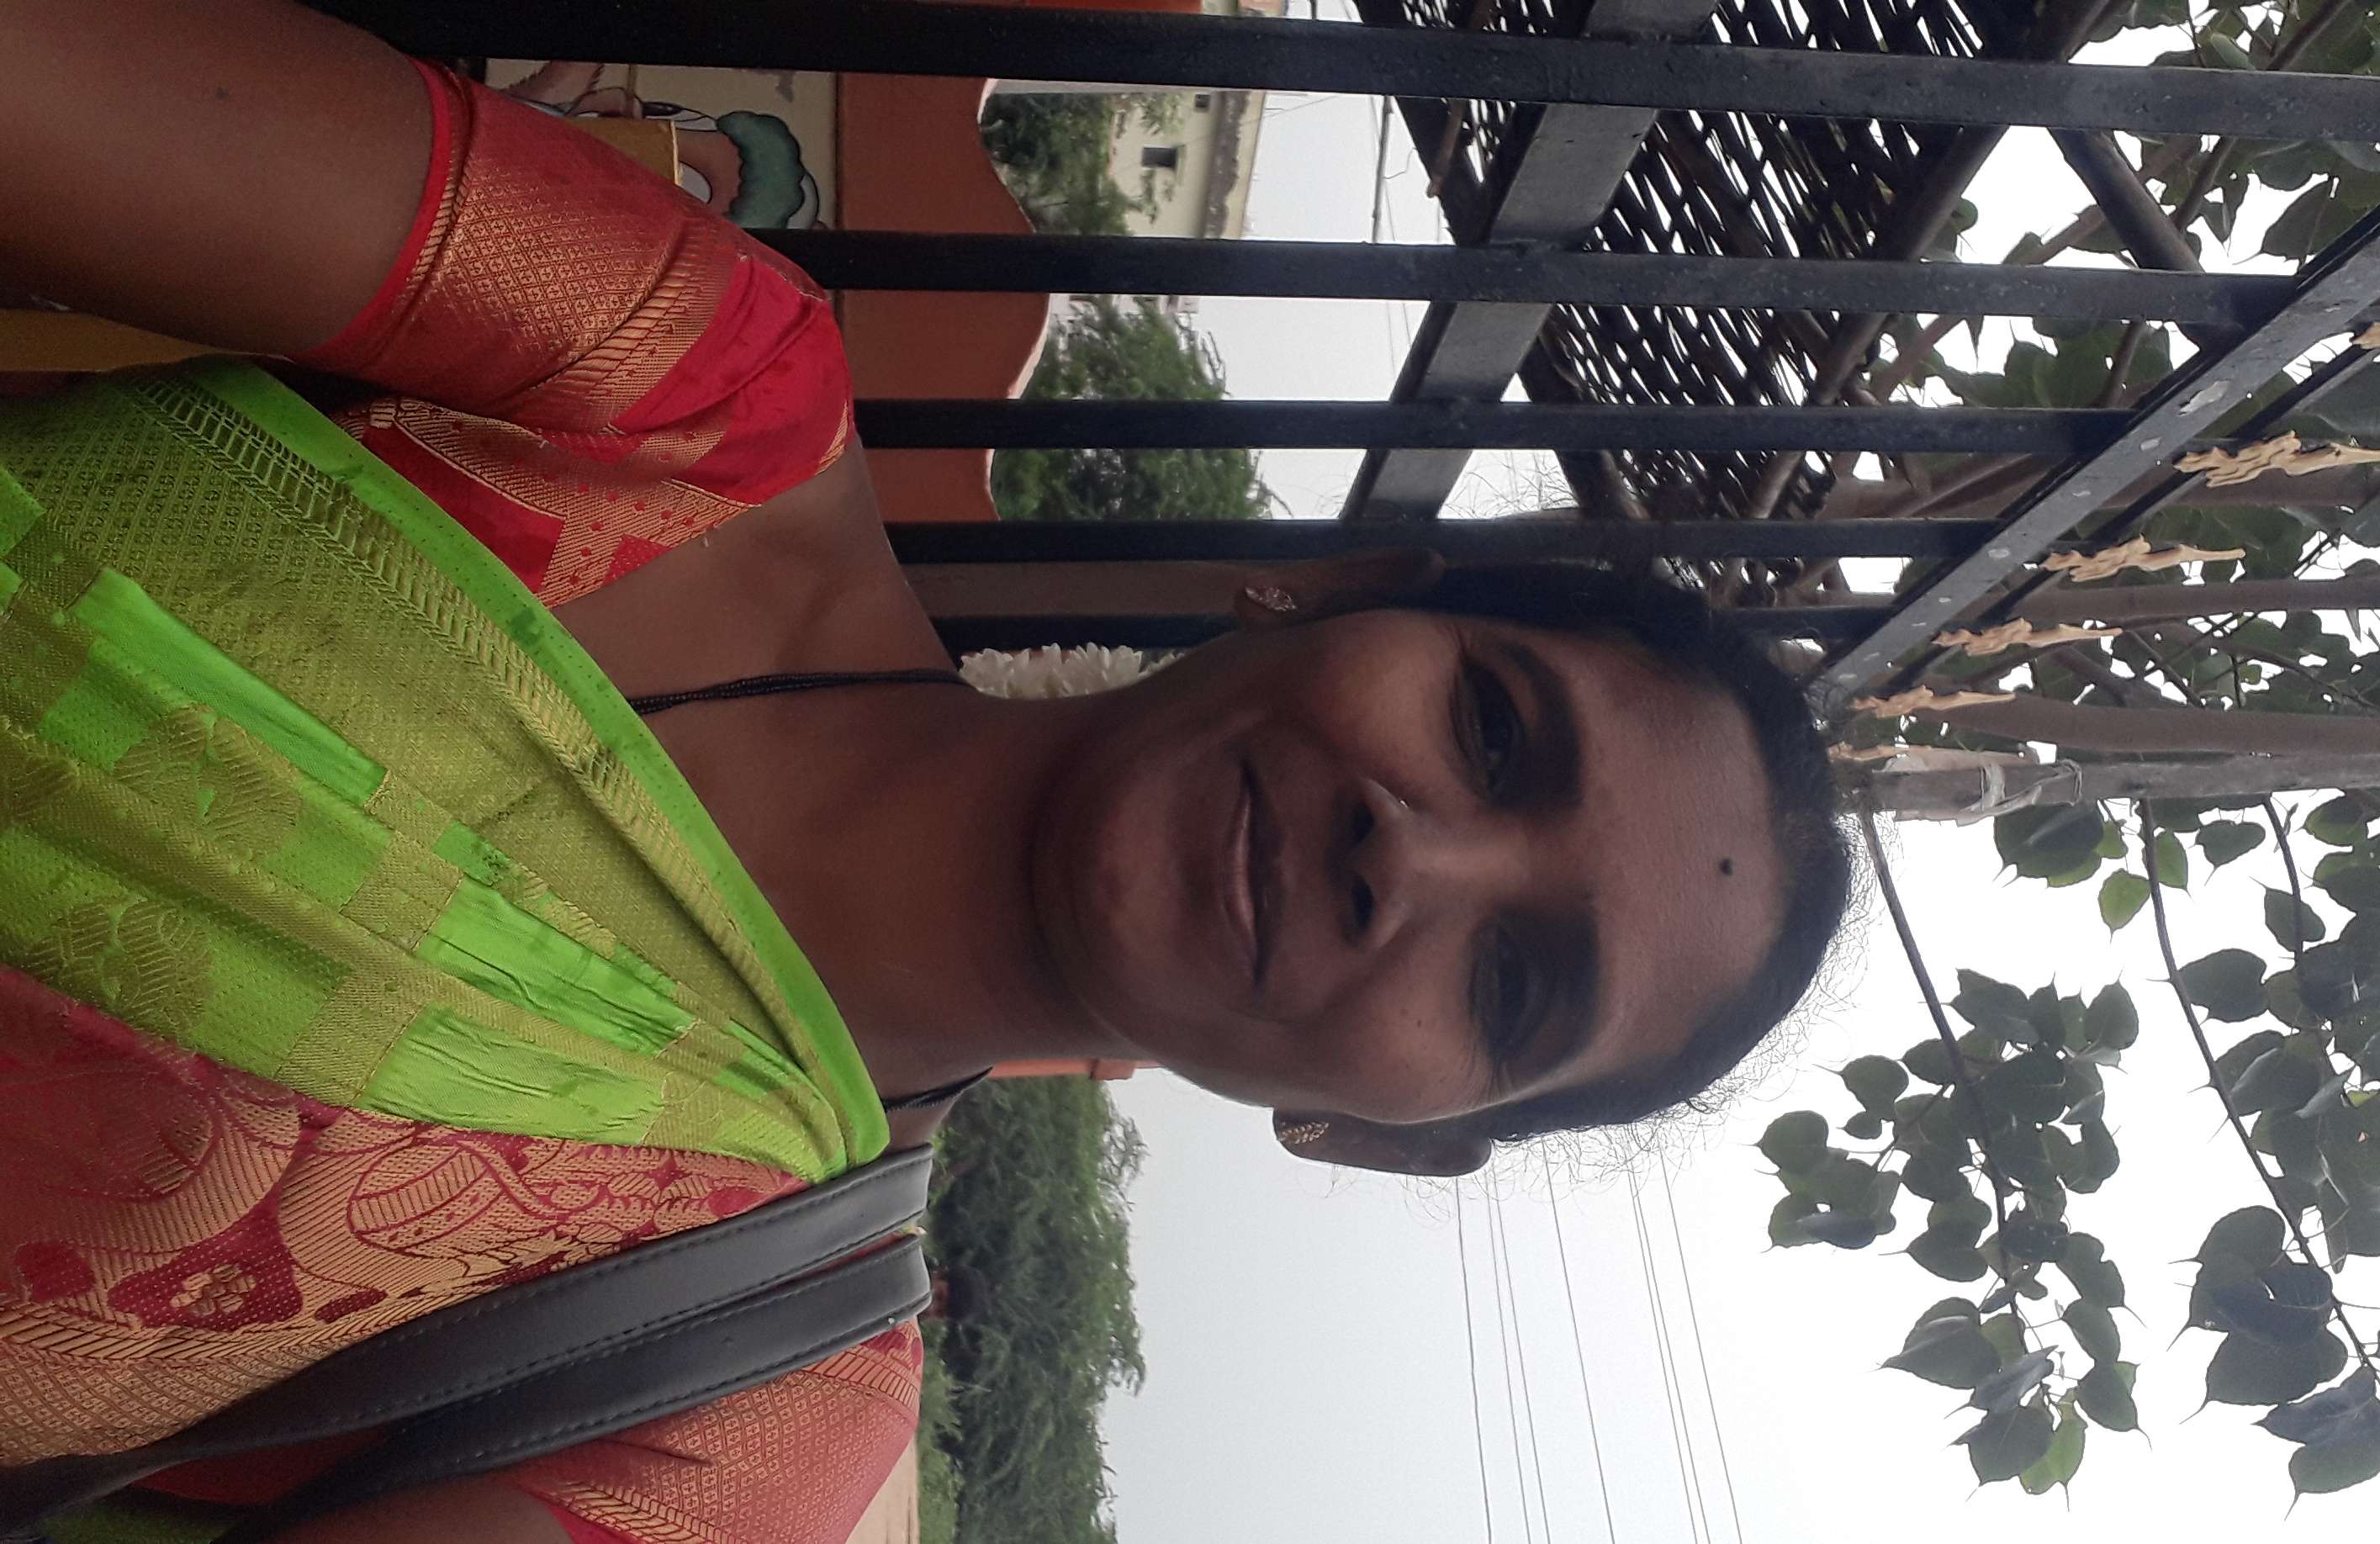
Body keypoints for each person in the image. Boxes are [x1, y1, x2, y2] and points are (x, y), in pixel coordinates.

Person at [0, 3, 1851, 1540]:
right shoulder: (679, 387)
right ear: (1343, 587)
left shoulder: (739, 1422)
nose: (1414, 860)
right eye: (1493, 728)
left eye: (1513, 982)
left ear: (1385, 1138)